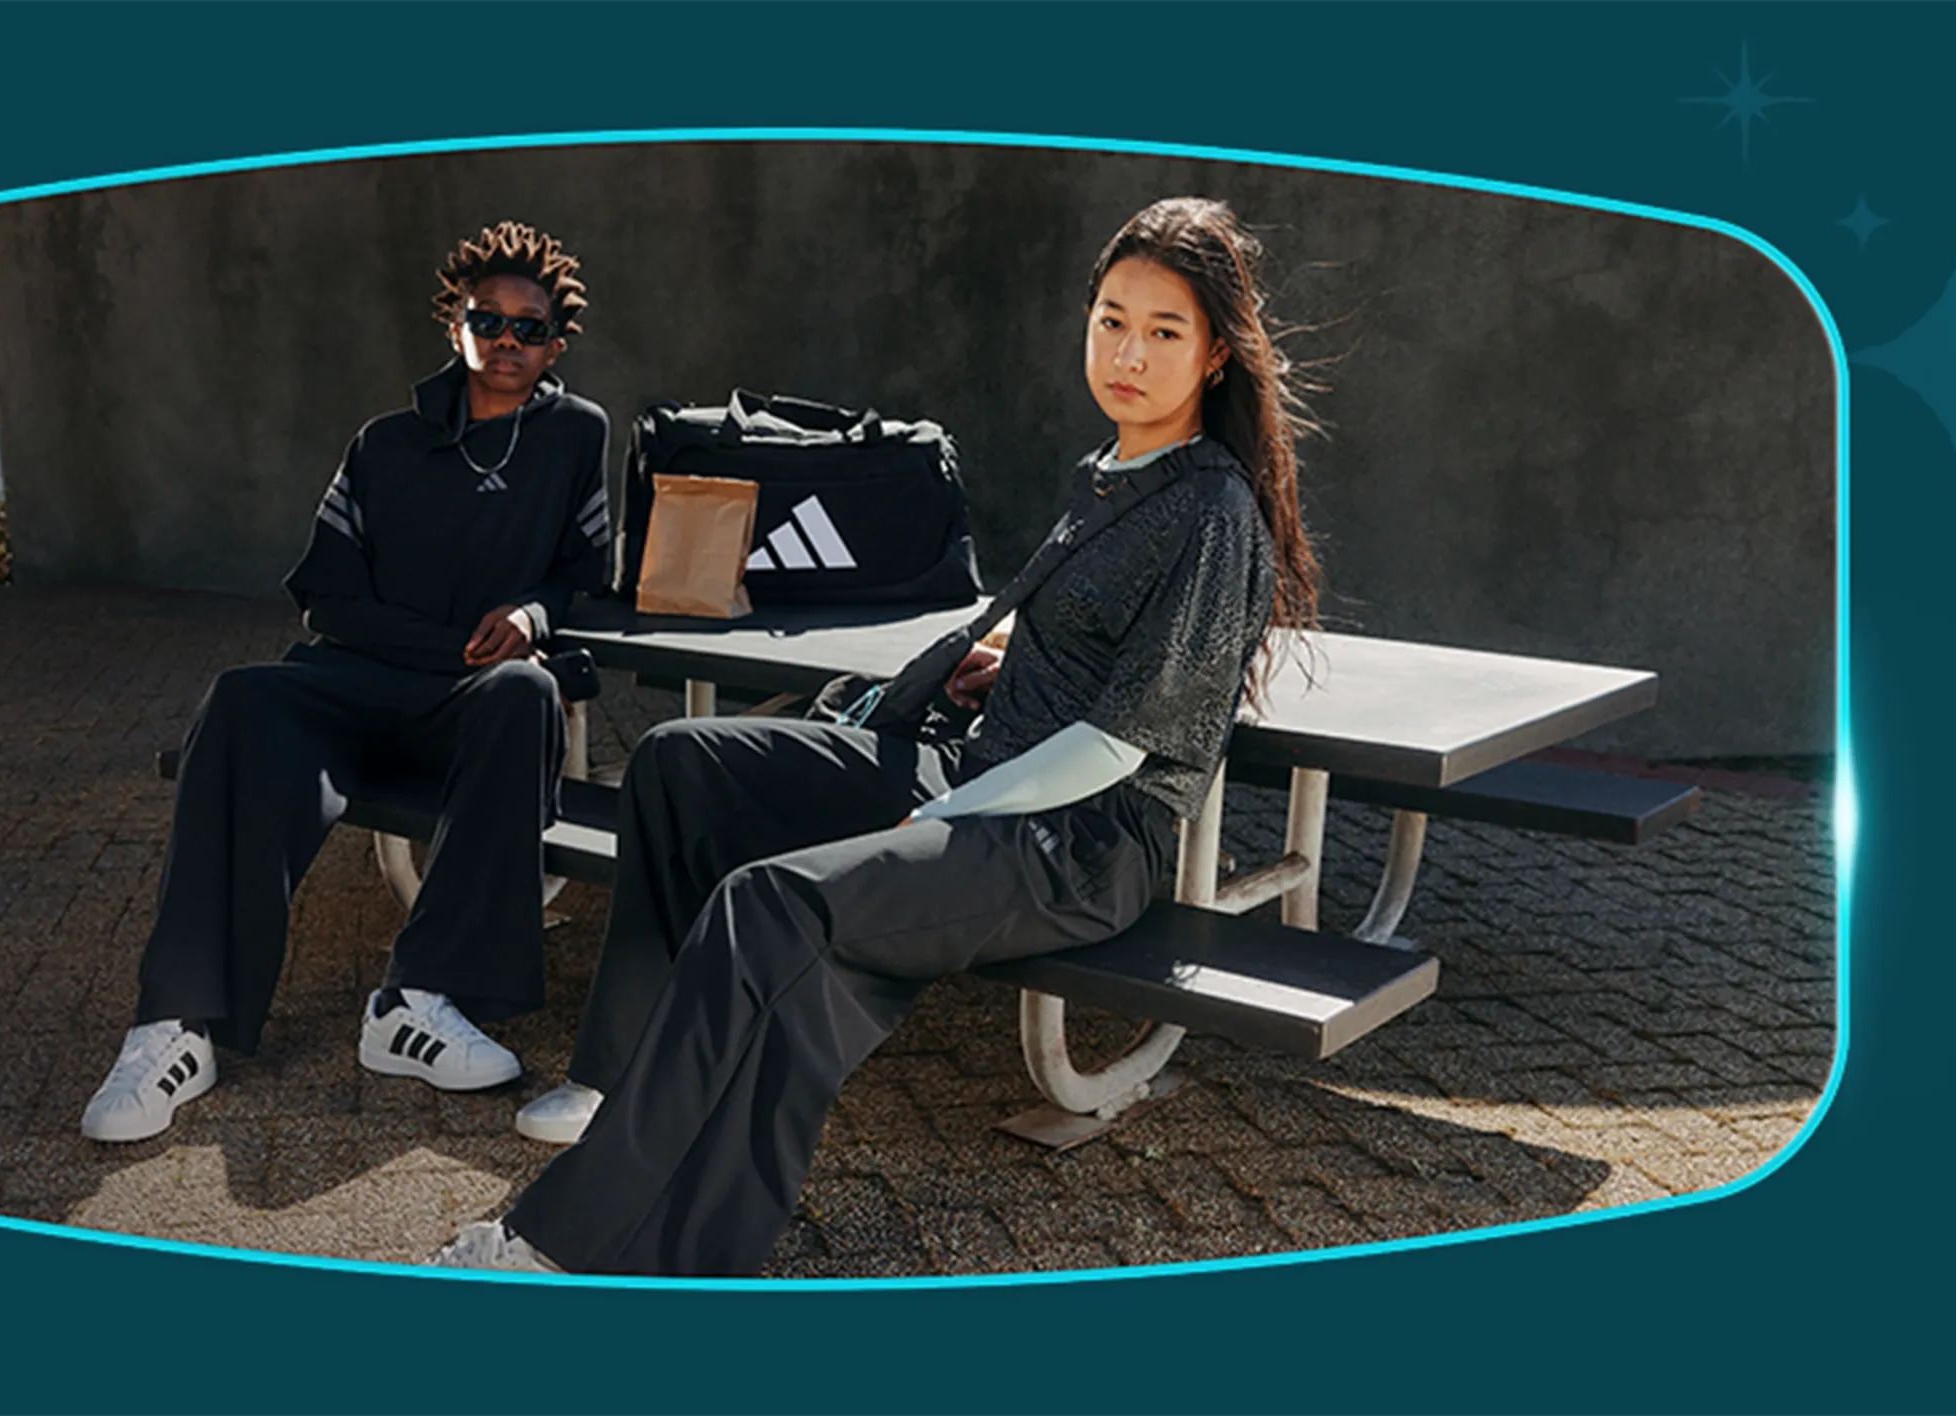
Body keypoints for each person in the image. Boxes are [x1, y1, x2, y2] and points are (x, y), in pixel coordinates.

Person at [437, 196, 1323, 1275]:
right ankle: (625, 1084)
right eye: (1110, 320)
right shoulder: (1111, 472)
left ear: (1218, 352)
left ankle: (562, 1248)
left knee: (773, 908)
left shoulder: (1214, 511)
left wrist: (949, 809)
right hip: (988, 767)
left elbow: (1120, 741)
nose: (1127, 353)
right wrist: (1008, 668)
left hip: (1080, 840)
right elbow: (1091, 637)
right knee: (682, 765)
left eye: (1163, 331)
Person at [80, 221, 612, 1143]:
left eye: (529, 329)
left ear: (555, 345)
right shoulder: (384, 445)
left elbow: (583, 570)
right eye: (487, 320)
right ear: (455, 324)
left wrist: (531, 616)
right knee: (243, 699)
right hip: (358, 684)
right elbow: (326, 598)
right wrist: (449, 645)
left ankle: (415, 1004)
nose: (507, 342)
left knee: (525, 696)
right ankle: (179, 1025)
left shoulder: (576, 435)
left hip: (469, 703)